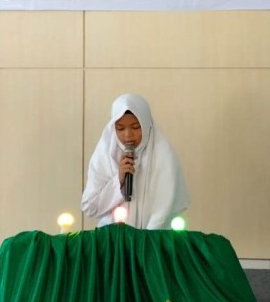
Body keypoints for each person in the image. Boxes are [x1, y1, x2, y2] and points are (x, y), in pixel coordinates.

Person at [81, 93, 190, 230]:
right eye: (120, 128)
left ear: (147, 124)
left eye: (135, 127)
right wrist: (118, 181)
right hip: (114, 239)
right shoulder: (105, 156)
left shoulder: (164, 156)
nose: (128, 134)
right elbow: (90, 207)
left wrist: (144, 239)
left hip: (154, 238)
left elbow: (164, 209)